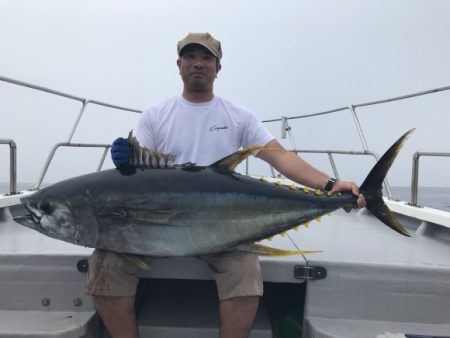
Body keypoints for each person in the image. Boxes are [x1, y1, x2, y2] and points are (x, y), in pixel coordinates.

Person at [85, 32, 366, 338]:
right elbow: (140, 176)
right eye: (190, 57)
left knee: (245, 275)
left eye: (207, 58)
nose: (198, 64)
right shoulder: (156, 114)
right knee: (105, 265)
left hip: (222, 227)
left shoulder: (238, 117)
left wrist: (330, 185)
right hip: (157, 225)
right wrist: (127, 163)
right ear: (178, 65)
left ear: (218, 68)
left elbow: (281, 157)